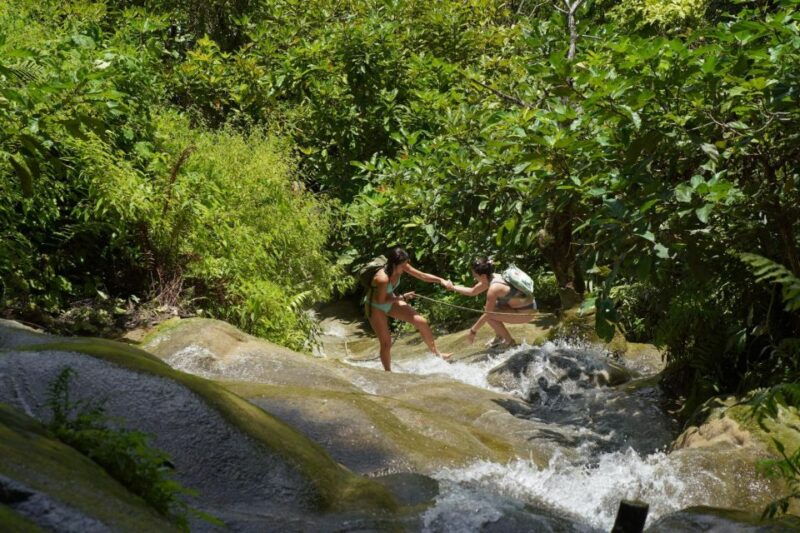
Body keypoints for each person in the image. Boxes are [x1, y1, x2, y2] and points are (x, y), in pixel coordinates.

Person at [366, 246, 453, 371]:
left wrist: (441, 280)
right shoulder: (382, 278)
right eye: (403, 265)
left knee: (421, 322)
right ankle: (388, 372)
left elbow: (422, 276)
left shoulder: (402, 265)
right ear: (394, 264)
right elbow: (381, 301)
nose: (406, 267)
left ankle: (437, 354)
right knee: (386, 343)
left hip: (391, 299)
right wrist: (402, 297)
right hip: (375, 305)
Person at [444, 258, 536, 347]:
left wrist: (473, 331)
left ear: (483, 276)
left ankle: (510, 343)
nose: (475, 278)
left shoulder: (494, 288)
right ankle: (500, 337)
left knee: (489, 315)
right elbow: (473, 291)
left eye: (475, 276)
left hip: (526, 314)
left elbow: (487, 314)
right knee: (491, 308)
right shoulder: (494, 276)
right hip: (529, 307)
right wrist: (453, 287)